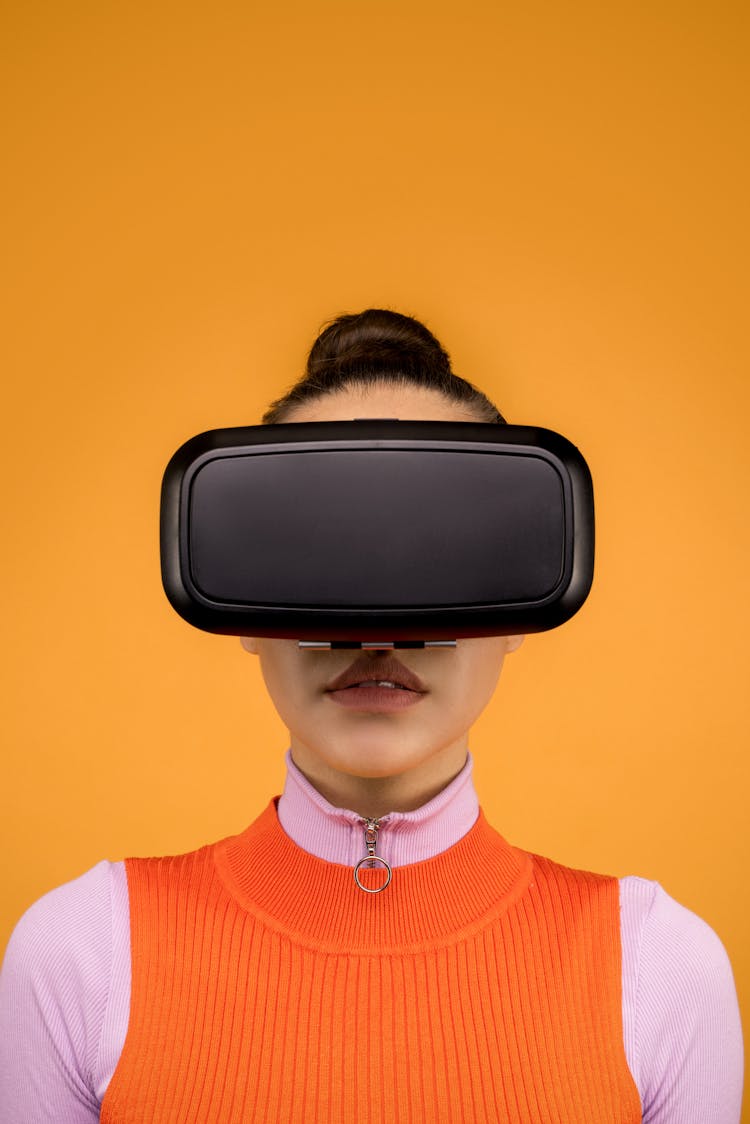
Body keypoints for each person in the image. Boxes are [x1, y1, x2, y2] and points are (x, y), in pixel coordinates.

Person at [0, 309, 743, 1122]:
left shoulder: (660, 967)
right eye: (319, 549)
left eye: (439, 550)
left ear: (519, 609)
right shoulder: (81, 955)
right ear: (245, 610)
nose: (378, 630)